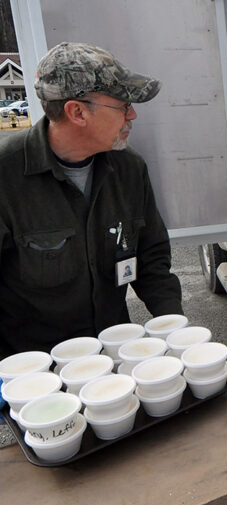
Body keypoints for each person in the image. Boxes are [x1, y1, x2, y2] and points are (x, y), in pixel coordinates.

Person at [0, 42, 182, 358]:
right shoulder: (6, 176)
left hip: (113, 359)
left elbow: (151, 259)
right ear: (77, 112)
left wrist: (179, 331)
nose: (133, 114)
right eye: (123, 105)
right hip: (34, 374)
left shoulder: (129, 169)